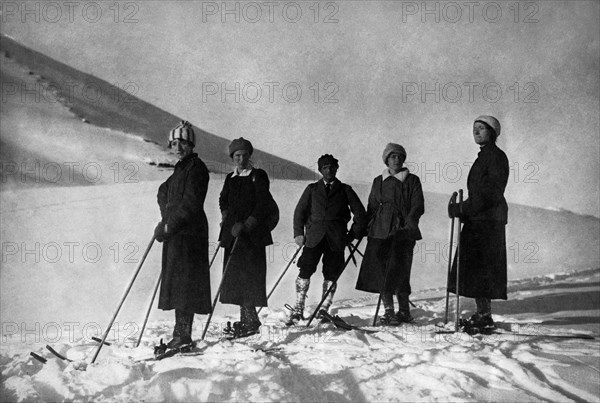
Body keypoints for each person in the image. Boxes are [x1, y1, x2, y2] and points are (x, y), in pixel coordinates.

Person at [288, 154, 366, 325]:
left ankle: (324, 308)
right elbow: (299, 212)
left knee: (331, 273)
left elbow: (360, 214)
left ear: (337, 169)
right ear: (320, 170)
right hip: (313, 238)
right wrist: (298, 234)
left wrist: (351, 236)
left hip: (336, 240)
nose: (328, 170)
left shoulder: (345, 190)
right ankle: (298, 307)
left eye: (331, 167)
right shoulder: (312, 189)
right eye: (325, 167)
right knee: (305, 270)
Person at [448, 115, 509, 330]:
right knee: (475, 269)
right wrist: (463, 209)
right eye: (475, 127)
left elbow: (488, 193)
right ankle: (482, 314)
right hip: (479, 219)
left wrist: (462, 208)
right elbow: (479, 195)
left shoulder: (495, 157)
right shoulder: (484, 156)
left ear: (492, 133)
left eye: (481, 128)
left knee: (483, 269)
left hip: (488, 221)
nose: (476, 131)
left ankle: (484, 316)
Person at [155, 120, 211, 348]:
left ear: (190, 145)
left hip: (190, 235)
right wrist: (165, 218)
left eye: (183, 143)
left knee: (186, 285)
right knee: (178, 284)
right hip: (177, 233)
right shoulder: (180, 169)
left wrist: (170, 224)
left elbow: (190, 204)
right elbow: (163, 191)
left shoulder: (196, 168)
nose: (178, 148)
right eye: (174, 143)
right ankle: (180, 333)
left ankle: (184, 335)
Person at [355, 143, 425, 325]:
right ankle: (388, 311)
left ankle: (404, 311)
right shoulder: (379, 180)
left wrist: (409, 223)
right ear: (386, 159)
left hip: (403, 232)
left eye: (400, 156)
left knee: (401, 270)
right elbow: (371, 206)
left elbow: (417, 206)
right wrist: (363, 227)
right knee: (381, 272)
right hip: (379, 231)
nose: (397, 159)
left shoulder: (412, 180)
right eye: (393, 156)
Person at [218, 137, 274, 338]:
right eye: (236, 156)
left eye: (244, 155)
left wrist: (247, 224)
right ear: (232, 157)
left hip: (252, 237)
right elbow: (223, 199)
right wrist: (225, 215)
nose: (240, 159)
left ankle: (251, 320)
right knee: (235, 277)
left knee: (250, 276)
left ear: (249, 156)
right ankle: (246, 319)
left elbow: (262, 204)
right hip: (233, 234)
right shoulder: (230, 178)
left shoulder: (258, 175)